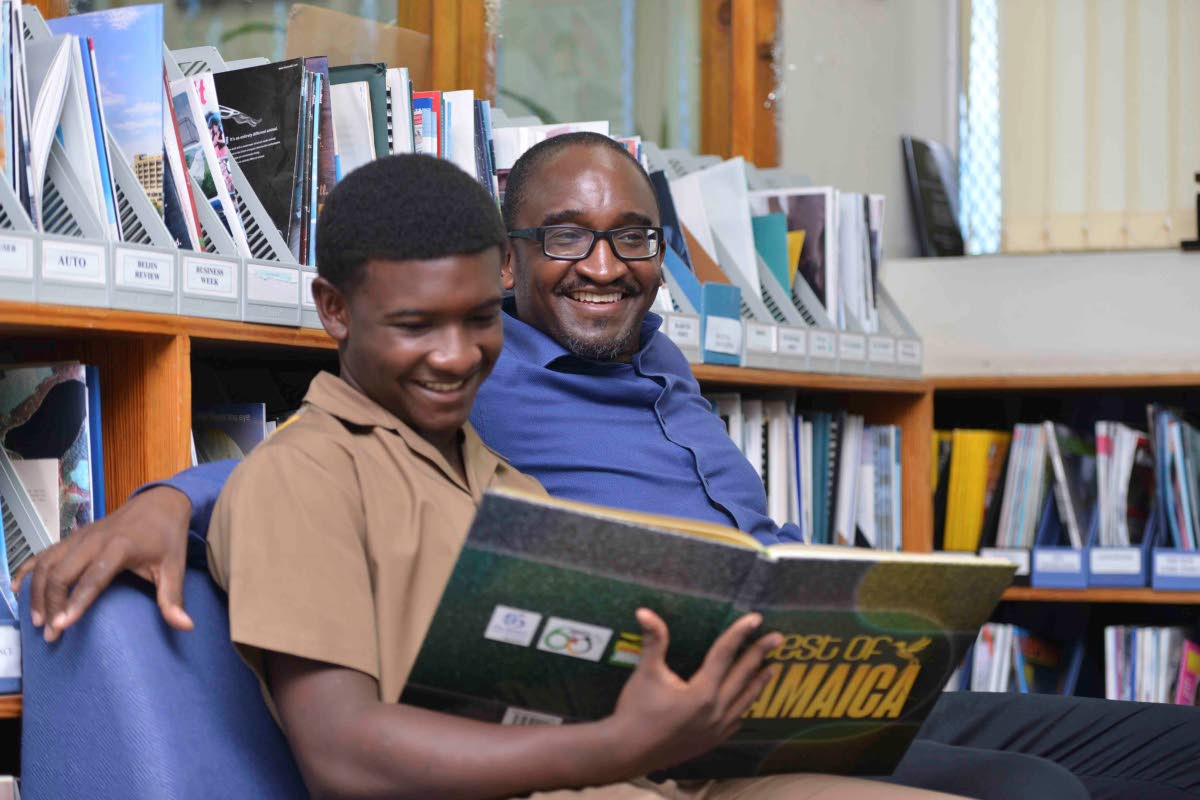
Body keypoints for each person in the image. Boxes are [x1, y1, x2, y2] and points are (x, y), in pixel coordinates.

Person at [22, 134, 1191, 798]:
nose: (461, 351)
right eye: (420, 323)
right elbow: (341, 748)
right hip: (638, 762)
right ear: (334, 309)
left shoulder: (492, 462)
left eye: (478, 320)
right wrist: (170, 495)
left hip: (675, 754)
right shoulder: (313, 472)